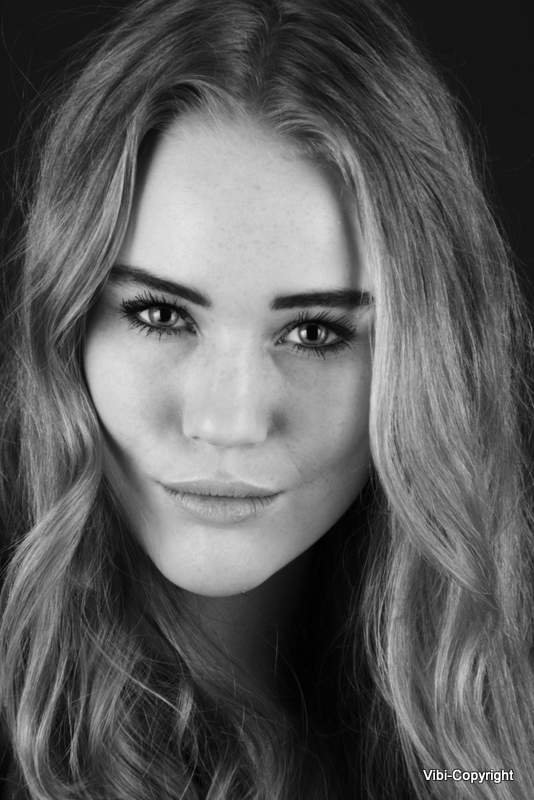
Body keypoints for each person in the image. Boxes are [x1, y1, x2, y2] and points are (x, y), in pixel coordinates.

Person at [0, 0, 532, 797]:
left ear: (431, 360)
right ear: (63, 323)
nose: (229, 421)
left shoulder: (489, 739)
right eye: (160, 315)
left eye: (315, 332)